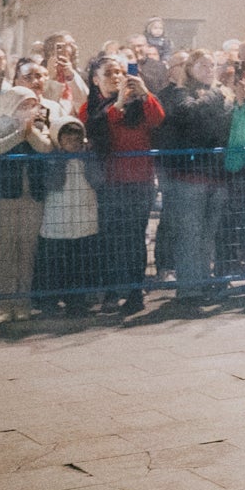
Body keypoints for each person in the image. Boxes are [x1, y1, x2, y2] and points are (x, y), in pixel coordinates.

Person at [0, 64, 62, 321]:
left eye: (33, 104)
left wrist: (30, 131)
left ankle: (22, 303)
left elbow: (45, 148)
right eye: (25, 104)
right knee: (2, 252)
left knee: (27, 252)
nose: (31, 109)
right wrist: (17, 134)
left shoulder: (38, 125)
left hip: (31, 197)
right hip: (1, 197)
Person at [84, 56, 165, 314]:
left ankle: (134, 291)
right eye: (109, 73)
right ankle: (111, 291)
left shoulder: (138, 105)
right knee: (111, 239)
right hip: (110, 182)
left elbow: (158, 119)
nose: (117, 77)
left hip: (140, 181)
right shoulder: (91, 107)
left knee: (134, 239)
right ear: (96, 80)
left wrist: (145, 93)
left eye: (120, 72)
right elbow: (100, 129)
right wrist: (117, 104)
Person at [159, 50, 234, 302]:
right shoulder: (179, 93)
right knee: (189, 235)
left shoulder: (219, 95)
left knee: (207, 235)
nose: (209, 69)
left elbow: (221, 126)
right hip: (188, 175)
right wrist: (215, 94)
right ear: (189, 68)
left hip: (215, 172)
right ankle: (190, 287)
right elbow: (190, 116)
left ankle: (204, 281)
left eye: (212, 64)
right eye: (203, 64)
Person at [34, 115, 103, 307]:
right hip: (58, 218)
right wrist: (61, 161)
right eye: (68, 140)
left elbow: (98, 181)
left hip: (84, 218)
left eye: (77, 140)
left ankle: (77, 300)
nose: (73, 144)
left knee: (80, 263)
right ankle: (51, 299)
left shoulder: (88, 158)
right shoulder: (52, 160)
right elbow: (52, 184)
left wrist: (87, 159)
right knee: (56, 263)